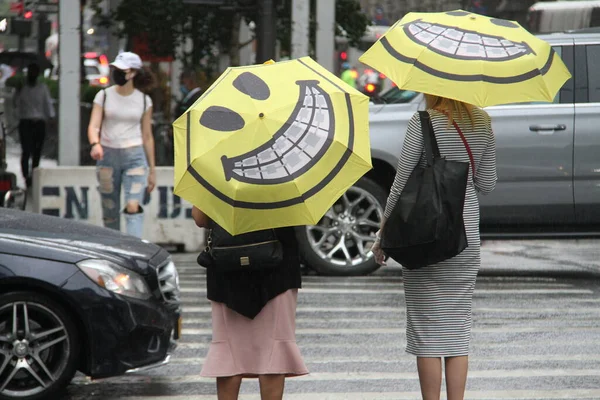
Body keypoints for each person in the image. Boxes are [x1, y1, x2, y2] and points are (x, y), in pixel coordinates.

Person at [371, 95, 497, 400]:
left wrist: (383, 230)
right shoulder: (483, 122)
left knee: (427, 330)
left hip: (424, 233)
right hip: (465, 233)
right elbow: (488, 184)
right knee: (457, 329)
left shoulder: (423, 121)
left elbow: (401, 182)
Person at [191, 206, 308, 400]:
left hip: (227, 259)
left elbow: (200, 218)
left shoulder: (215, 174)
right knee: (273, 352)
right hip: (277, 262)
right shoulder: (285, 175)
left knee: (229, 355)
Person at [87, 52, 156, 238]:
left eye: (121, 70)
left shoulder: (144, 100)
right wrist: (95, 144)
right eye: (115, 69)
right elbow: (94, 125)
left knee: (133, 206)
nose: (116, 73)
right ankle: (113, 251)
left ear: (133, 72)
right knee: (109, 211)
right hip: (107, 156)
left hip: (135, 156)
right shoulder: (103, 96)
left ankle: (134, 250)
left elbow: (147, 136)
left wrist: (152, 170)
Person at [14, 63, 55, 188]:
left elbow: (48, 105)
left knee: (37, 152)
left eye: (34, 72)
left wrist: (51, 119)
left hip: (39, 124)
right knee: (26, 151)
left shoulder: (42, 88)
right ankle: (26, 177)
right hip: (25, 123)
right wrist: (17, 92)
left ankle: (34, 175)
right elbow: (15, 106)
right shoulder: (22, 89)